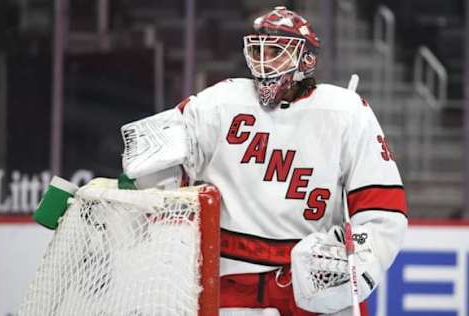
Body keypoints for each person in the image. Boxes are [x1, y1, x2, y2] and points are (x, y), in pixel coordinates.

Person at [120, 6, 408, 316]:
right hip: (229, 280)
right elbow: (147, 163)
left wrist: (359, 253)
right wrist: (164, 214)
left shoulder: (348, 114)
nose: (264, 62)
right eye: (258, 51)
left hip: (314, 281)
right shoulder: (220, 103)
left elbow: (382, 212)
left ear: (306, 60)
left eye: (276, 52)